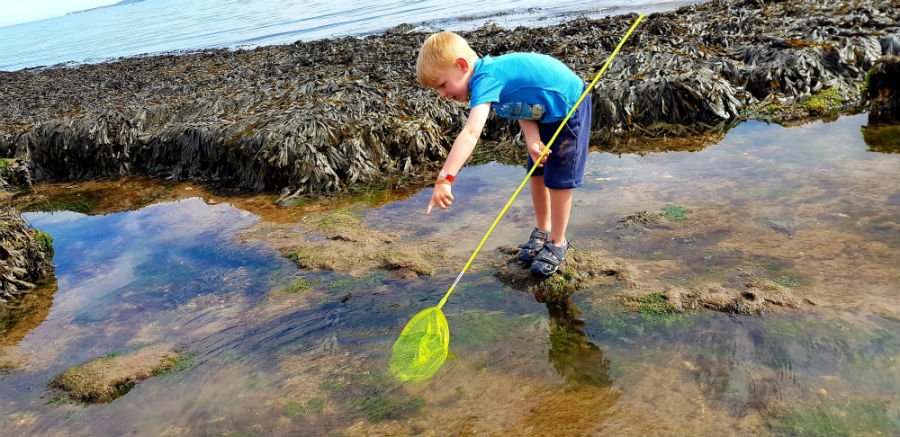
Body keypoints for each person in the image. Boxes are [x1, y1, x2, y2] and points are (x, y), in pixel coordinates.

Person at [417, 31, 591, 277]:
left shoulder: (486, 78)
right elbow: (521, 106)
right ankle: (543, 231)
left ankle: (558, 242)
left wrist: (446, 178)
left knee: (558, 180)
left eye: (443, 85)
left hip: (568, 105)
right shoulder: (487, 78)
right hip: (542, 112)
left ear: (462, 66)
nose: (442, 94)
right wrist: (533, 140)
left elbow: (470, 133)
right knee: (536, 171)